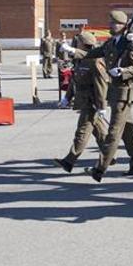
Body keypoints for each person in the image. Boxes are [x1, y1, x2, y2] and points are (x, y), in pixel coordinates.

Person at [64, 10, 133, 180]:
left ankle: (100, 168)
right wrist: (73, 51)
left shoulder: (129, 44)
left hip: (125, 93)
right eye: (111, 22)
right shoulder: (111, 43)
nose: (110, 25)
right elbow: (92, 54)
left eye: (114, 23)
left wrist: (123, 71)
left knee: (113, 132)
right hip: (115, 92)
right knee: (128, 132)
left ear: (123, 26)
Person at [53, 32, 113, 173]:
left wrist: (101, 106)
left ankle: (69, 161)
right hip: (83, 99)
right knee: (99, 132)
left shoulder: (95, 61)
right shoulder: (80, 59)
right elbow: (75, 80)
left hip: (91, 102)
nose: (75, 45)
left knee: (82, 131)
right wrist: (67, 98)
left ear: (83, 44)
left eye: (78, 43)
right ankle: (110, 156)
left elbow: (101, 85)